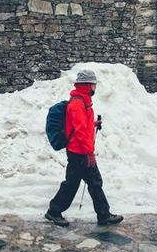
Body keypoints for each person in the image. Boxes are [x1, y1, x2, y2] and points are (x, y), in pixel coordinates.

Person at [45, 69, 123, 227]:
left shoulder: (83, 101)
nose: (95, 87)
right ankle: (54, 211)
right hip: (78, 152)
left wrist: (94, 124)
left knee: (94, 182)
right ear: (87, 85)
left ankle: (104, 215)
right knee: (73, 184)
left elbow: (81, 126)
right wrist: (89, 154)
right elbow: (80, 131)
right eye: (93, 84)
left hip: (81, 151)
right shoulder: (77, 104)